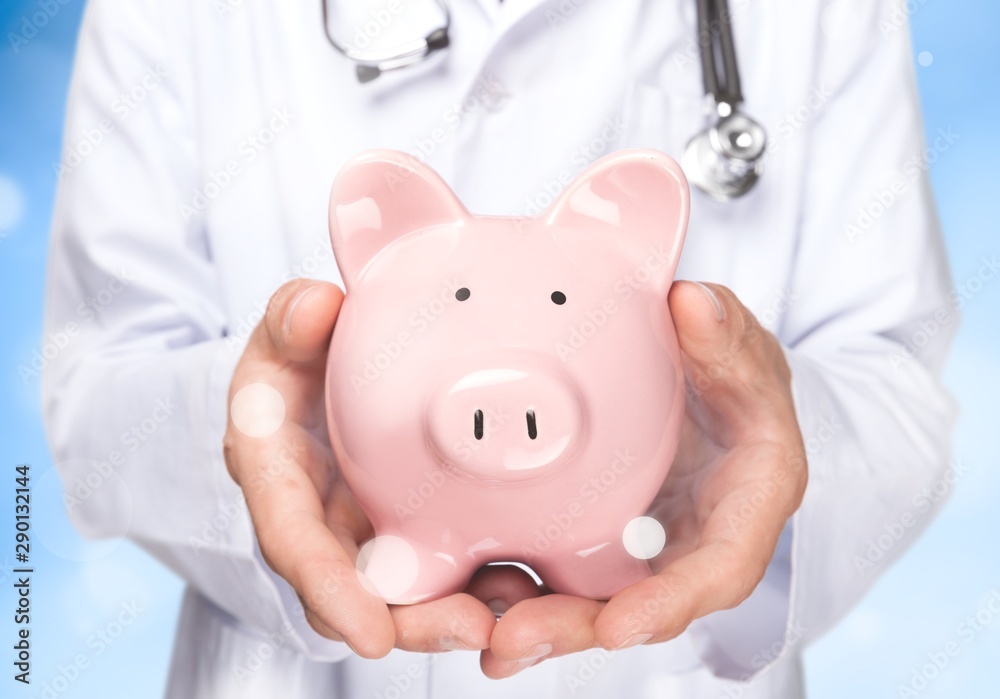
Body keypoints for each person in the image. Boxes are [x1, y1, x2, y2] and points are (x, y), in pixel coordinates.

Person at [42, 0, 956, 697]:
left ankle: (592, 547)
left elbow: (895, 382)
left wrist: (743, 444)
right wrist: (273, 428)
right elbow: (96, 393)